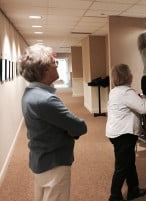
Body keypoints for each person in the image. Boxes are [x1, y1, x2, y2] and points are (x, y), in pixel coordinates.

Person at [19, 44, 87, 201]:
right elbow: (80, 126)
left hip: (41, 159)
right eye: (53, 62)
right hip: (53, 164)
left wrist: (67, 128)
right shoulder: (46, 99)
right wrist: (69, 130)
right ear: (44, 70)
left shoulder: (31, 93)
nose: (56, 65)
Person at [106, 64, 146, 201]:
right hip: (124, 134)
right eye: (130, 72)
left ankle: (133, 189)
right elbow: (145, 109)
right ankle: (114, 196)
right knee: (122, 166)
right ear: (127, 76)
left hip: (116, 133)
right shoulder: (127, 92)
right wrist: (143, 98)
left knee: (129, 162)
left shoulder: (114, 91)